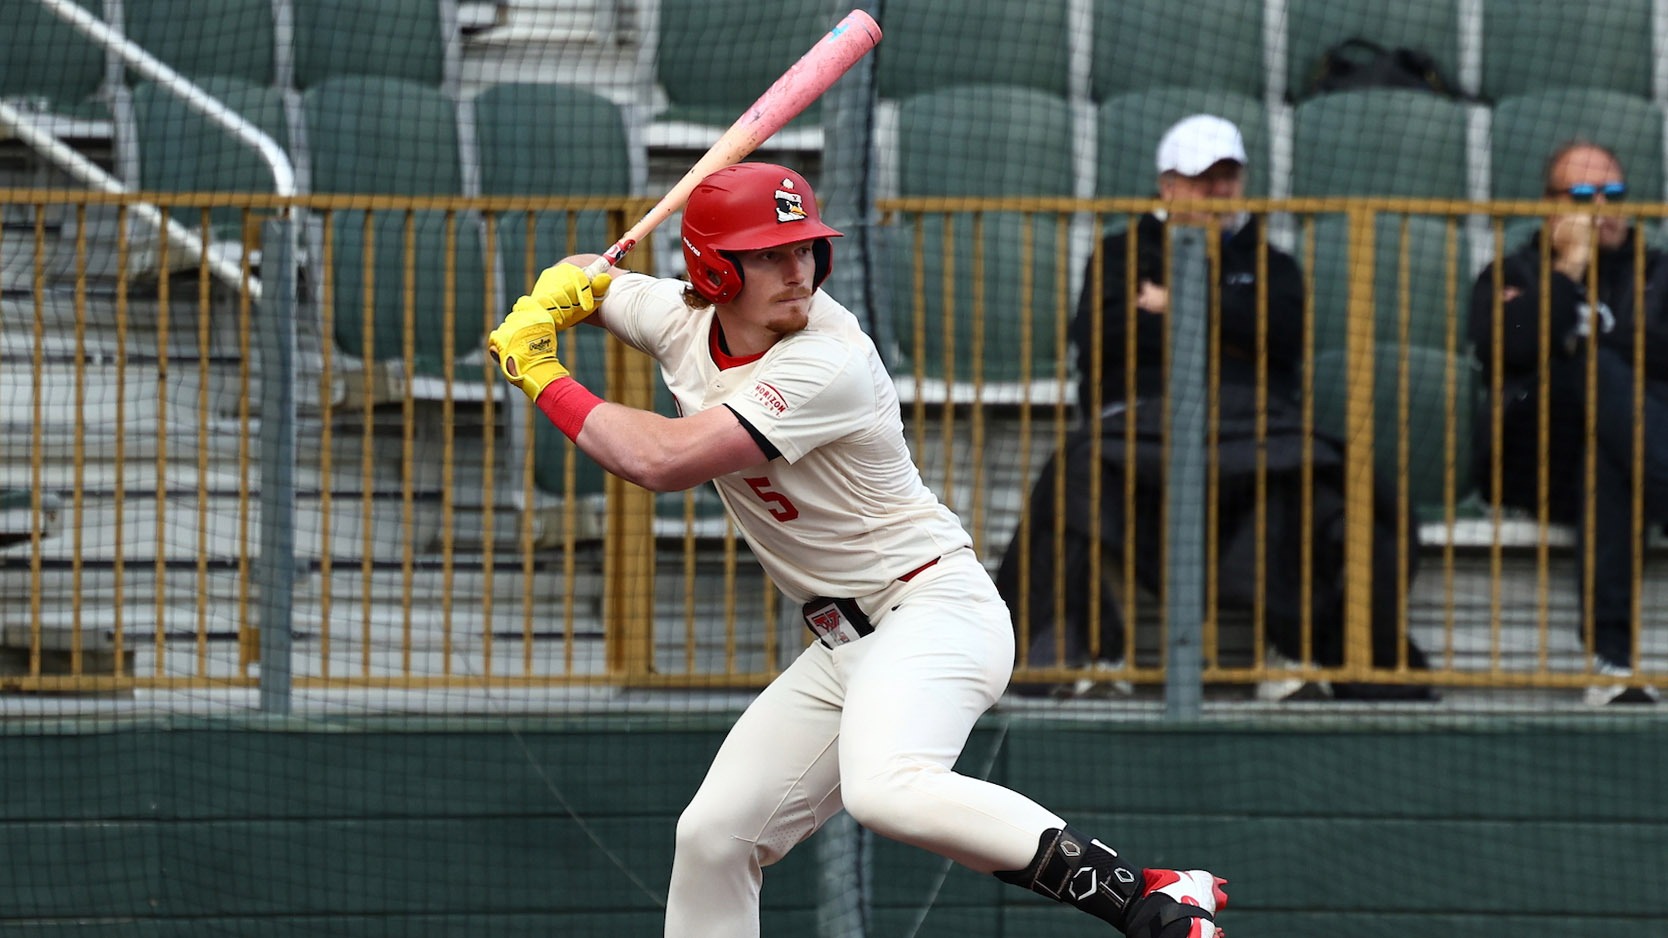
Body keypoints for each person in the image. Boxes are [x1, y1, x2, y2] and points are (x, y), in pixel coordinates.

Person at [486, 162, 1229, 937]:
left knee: (885, 789)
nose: (798, 269)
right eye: (770, 253)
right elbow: (585, 277)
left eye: (806, 247)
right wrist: (567, 287)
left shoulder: (827, 357)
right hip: (845, 644)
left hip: (933, 610)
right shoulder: (677, 318)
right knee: (712, 838)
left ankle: (1147, 896)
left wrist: (539, 368)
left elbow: (660, 461)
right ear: (712, 269)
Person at [995, 114, 1434, 701]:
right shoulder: (1121, 252)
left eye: (1227, 177)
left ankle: (1308, 648)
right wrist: (1221, 315)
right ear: (1169, 184)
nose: (1217, 192)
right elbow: (1104, 337)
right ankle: (1079, 649)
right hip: (1143, 425)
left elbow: (1279, 333)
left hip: (1255, 427)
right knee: (1074, 478)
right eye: (1203, 179)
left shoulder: (1273, 264)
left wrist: (1174, 302)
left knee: (1332, 492)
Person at [1468, 139, 1664, 705]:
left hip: (1620, 458)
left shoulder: (1659, 272)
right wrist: (1568, 269)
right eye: (1582, 193)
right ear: (1550, 205)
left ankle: (1611, 662)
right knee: (1592, 372)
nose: (1601, 206)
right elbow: (1508, 343)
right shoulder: (1515, 271)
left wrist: (1588, 340)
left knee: (1608, 454)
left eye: (1613, 192)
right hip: (1531, 458)